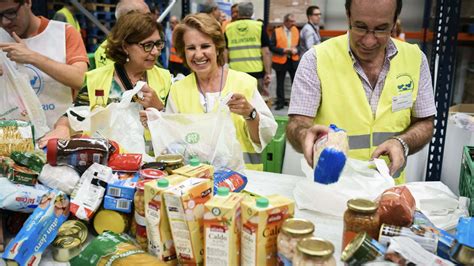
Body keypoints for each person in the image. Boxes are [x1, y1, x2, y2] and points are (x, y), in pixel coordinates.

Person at [286, 0, 436, 184]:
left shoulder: (415, 60)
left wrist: (402, 142)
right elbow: (297, 123)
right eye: (360, 27)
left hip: (388, 193)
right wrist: (303, 135)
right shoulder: (316, 59)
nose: (369, 40)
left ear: (395, 21)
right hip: (331, 190)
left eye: (381, 29)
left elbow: (425, 123)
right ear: (348, 16)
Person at [39, 11, 171, 149]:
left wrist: (159, 108)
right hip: (110, 162)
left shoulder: (165, 79)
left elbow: (178, 127)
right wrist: (62, 127)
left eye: (158, 44)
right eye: (147, 45)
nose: (155, 51)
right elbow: (74, 113)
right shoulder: (97, 79)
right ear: (125, 46)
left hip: (154, 164)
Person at [164, 13, 277, 170]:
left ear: (217, 48)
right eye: (191, 48)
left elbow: (263, 138)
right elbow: (171, 143)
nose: (198, 54)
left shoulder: (243, 83)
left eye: (205, 46)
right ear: (184, 52)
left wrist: (250, 114)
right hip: (193, 182)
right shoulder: (178, 90)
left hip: (241, 181)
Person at [0, 0, 88, 129]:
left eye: (11, 13)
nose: (5, 22)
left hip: (60, 135)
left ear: (28, 2)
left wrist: (33, 57)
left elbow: (82, 80)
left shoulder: (63, 33)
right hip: (13, 139)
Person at [224, 2, 272, 98]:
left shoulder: (229, 28)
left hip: (235, 71)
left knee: (236, 101)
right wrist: (268, 72)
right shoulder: (259, 26)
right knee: (255, 101)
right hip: (256, 72)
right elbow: (266, 52)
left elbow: (225, 51)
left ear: (239, 12)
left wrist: (226, 68)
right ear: (252, 12)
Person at [94, 0, 150, 69]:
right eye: (147, 16)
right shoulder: (108, 51)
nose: (151, 21)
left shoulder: (145, 43)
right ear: (130, 20)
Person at [270, 13, 300, 110]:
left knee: (295, 83)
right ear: (285, 22)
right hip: (281, 60)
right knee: (280, 83)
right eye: (291, 21)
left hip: (293, 59)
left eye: (294, 21)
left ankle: (295, 103)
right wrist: (283, 50)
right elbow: (272, 47)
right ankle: (280, 103)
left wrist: (297, 50)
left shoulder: (296, 30)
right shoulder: (276, 31)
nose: (293, 23)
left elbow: (299, 45)